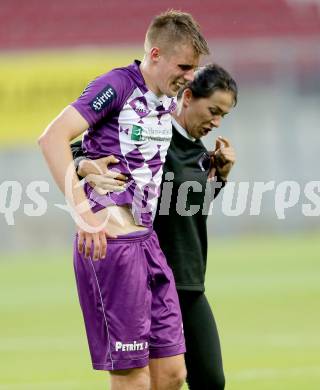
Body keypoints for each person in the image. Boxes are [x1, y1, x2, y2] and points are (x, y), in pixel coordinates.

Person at [38, 10, 209, 390]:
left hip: (148, 241)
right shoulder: (116, 84)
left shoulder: (166, 100)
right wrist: (83, 214)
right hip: (111, 244)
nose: (188, 75)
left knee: (172, 374)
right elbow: (52, 139)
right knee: (133, 379)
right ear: (154, 56)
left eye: (194, 68)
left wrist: (83, 162)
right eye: (183, 65)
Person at [72, 64, 238, 390]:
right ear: (187, 97)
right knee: (143, 381)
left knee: (209, 380)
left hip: (189, 282)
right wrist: (82, 165)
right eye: (213, 110)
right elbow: (80, 145)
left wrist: (221, 177)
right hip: (144, 276)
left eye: (223, 116)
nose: (216, 122)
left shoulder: (202, 154)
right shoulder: (151, 132)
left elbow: (188, 210)